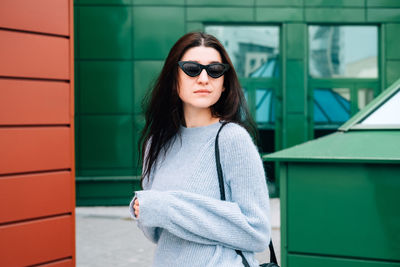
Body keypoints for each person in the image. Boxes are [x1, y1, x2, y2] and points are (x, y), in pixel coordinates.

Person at [129, 32, 271, 267]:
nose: (204, 78)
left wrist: (165, 206)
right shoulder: (157, 144)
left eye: (215, 70)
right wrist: (145, 209)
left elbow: (257, 231)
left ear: (224, 84)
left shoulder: (232, 139)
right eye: (192, 69)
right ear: (174, 80)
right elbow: (156, 233)